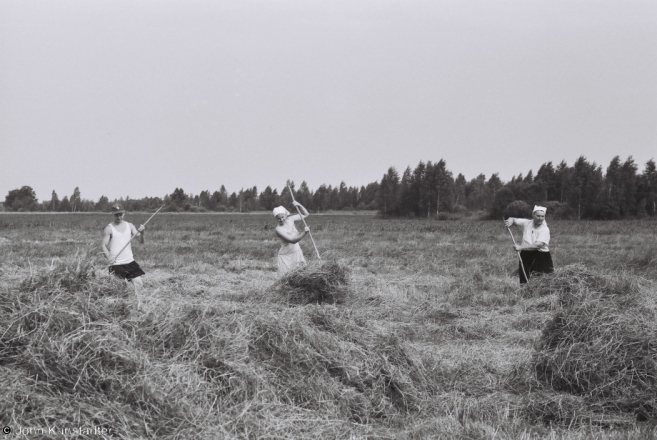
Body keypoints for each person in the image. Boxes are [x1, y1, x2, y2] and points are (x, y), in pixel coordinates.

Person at [101, 204, 146, 305]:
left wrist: (142, 233)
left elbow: (141, 241)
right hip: (116, 264)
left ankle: (139, 306)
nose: (119, 217)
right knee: (120, 289)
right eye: (116, 215)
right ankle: (120, 307)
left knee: (139, 283)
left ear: (124, 213)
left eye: (121, 214)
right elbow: (103, 245)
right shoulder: (109, 228)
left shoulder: (129, 226)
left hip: (129, 261)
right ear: (113, 214)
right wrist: (108, 257)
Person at [504, 205, 554, 284]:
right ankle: (525, 294)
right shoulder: (527, 223)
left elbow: (538, 245)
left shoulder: (545, 229)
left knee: (542, 281)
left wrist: (521, 247)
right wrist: (510, 220)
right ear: (533, 215)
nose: (540, 218)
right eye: (538, 216)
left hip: (541, 256)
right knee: (524, 278)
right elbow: (514, 220)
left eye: (542, 216)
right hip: (525, 254)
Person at [273, 202, 311, 274]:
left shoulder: (291, 219)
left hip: (297, 252)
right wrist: (304, 232)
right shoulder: (278, 229)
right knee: (286, 278)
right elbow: (292, 241)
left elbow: (306, 214)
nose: (281, 220)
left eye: (282, 217)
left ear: (285, 215)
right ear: (275, 218)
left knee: (301, 274)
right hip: (286, 256)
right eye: (278, 218)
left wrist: (299, 205)